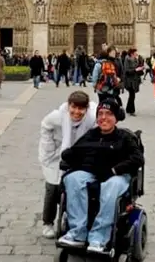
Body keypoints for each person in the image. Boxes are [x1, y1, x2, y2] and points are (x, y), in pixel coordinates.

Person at [57, 99, 144, 254]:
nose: (104, 117)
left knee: (111, 186)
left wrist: (114, 170)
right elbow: (74, 152)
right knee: (72, 179)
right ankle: (77, 234)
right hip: (92, 173)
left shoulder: (124, 137)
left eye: (109, 114)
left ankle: (99, 238)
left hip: (116, 175)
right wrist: (67, 157)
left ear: (116, 117)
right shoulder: (91, 135)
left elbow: (137, 159)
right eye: (100, 114)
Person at [38, 91, 97, 239]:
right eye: (74, 108)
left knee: (76, 187)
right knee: (53, 187)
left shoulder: (91, 118)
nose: (77, 112)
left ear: (86, 109)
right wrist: (50, 147)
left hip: (78, 155)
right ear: (69, 105)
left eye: (81, 109)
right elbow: (45, 125)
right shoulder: (57, 116)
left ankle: (75, 220)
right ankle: (48, 222)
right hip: (56, 154)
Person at [123, 48, 143, 116]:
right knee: (132, 95)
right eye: (135, 53)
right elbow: (127, 70)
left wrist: (141, 68)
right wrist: (136, 70)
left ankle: (128, 109)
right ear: (132, 53)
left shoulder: (135, 59)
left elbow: (137, 67)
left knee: (131, 95)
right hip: (129, 80)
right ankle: (131, 110)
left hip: (134, 80)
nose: (136, 54)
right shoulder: (127, 59)